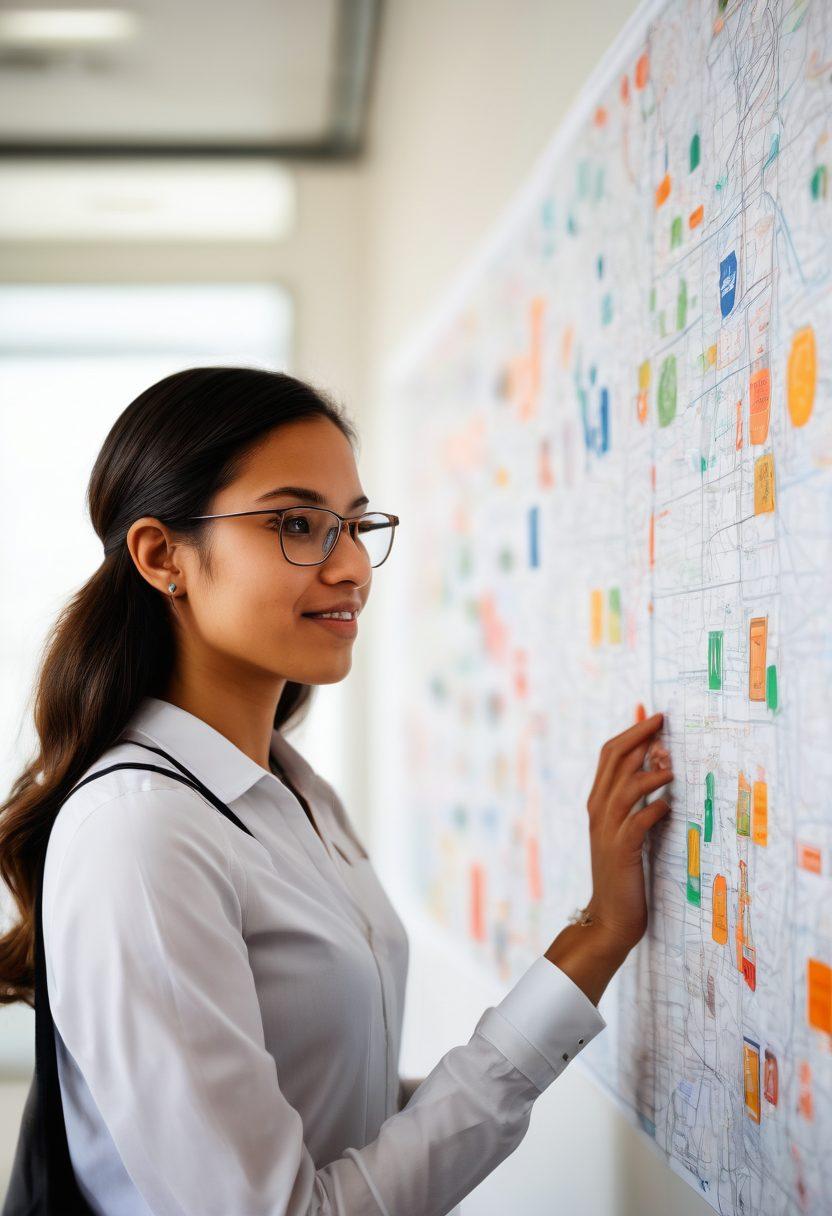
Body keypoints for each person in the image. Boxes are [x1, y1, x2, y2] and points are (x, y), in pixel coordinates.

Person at [0, 366, 673, 1215]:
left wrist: (591, 949)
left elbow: (339, 1116)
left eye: (355, 525)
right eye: (297, 524)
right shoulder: (138, 835)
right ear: (163, 556)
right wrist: (594, 937)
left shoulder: (294, 791)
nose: (352, 565)